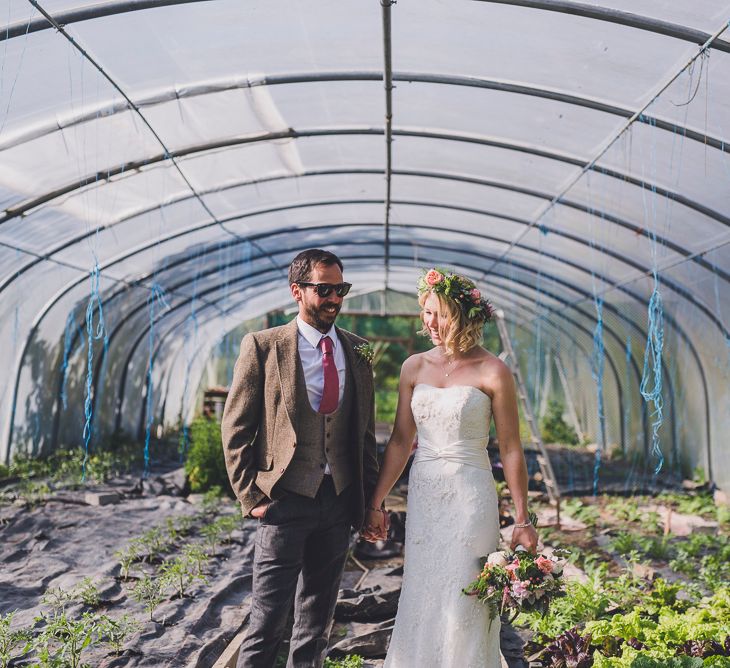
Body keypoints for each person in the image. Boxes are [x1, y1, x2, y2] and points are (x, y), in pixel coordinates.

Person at [363, 267, 538, 668]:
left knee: (467, 591)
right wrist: (377, 501)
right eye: (426, 313)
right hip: (426, 493)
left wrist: (523, 518)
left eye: (440, 313)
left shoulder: (494, 370)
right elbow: (401, 442)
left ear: (463, 315)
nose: (431, 323)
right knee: (423, 589)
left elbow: (511, 448)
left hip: (471, 494)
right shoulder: (413, 367)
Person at [221, 249, 379, 668]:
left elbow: (364, 434)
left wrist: (368, 501)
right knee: (268, 621)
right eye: (323, 289)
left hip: (339, 500)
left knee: (316, 621)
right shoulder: (263, 347)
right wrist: (250, 496)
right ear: (297, 291)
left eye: (340, 289)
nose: (334, 299)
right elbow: (235, 427)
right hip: (284, 500)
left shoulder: (358, 351)